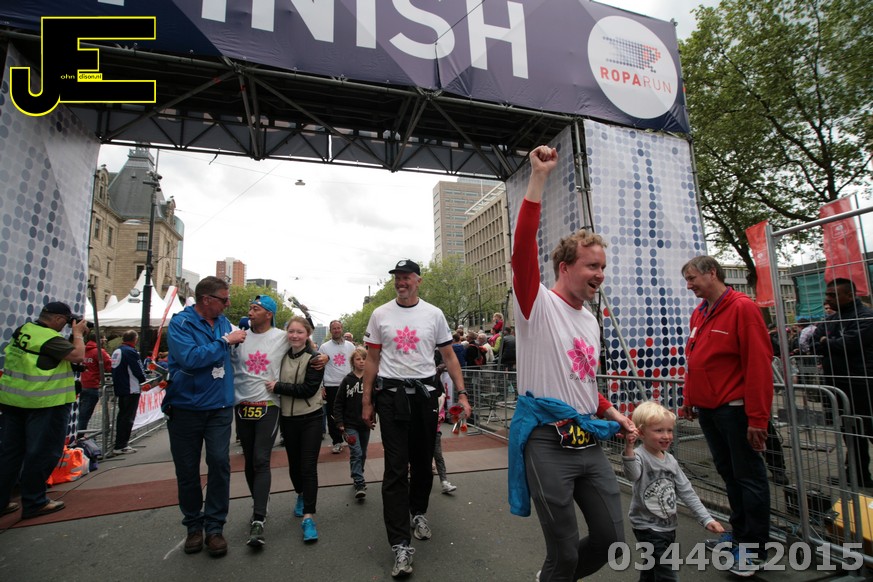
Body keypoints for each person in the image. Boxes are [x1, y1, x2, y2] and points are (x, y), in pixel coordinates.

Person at [506, 145, 634, 582]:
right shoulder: (536, 304)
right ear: (564, 267)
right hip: (546, 442)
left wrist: (613, 413)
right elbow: (522, 249)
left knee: (611, 541)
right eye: (592, 266)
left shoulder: (590, 321)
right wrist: (538, 177)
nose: (600, 274)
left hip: (588, 439)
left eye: (603, 266)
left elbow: (582, 384)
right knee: (563, 553)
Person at [361, 258, 471, 579]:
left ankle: (418, 511)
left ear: (418, 281)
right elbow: (372, 359)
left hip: (425, 397)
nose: (401, 282)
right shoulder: (380, 314)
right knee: (396, 468)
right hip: (391, 397)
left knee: (423, 462)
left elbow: (449, 356)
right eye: (397, 277)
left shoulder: (434, 314)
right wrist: (366, 401)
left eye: (407, 276)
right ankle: (400, 544)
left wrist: (462, 393)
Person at [680, 255, 773, 576]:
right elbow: (694, 359)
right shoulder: (701, 312)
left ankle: (755, 550)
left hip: (735, 411)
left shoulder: (743, 308)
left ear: (712, 273)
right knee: (730, 474)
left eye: (692, 278)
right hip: (711, 410)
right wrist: (689, 398)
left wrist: (758, 419)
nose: (689, 286)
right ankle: (741, 535)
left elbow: (758, 365)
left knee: (748, 476)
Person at [165, 276, 247, 558]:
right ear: (206, 299)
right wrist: (224, 342)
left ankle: (214, 527)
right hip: (185, 408)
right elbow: (190, 358)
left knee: (220, 463)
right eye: (224, 299)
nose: (228, 304)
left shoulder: (224, 322)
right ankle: (193, 526)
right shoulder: (181, 324)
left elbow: (239, 349)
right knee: (187, 470)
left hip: (219, 407)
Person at [0, 301, 88, 518]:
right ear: (57, 319)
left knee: (10, 454)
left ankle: (1, 502)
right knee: (42, 453)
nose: (66, 325)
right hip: (45, 403)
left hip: (14, 400)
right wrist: (78, 335)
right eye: (65, 321)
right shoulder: (49, 338)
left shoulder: (24, 330)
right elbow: (77, 356)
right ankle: (35, 502)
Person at [623, 401, 725, 582]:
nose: (666, 436)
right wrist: (629, 449)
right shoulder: (639, 456)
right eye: (659, 431)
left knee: (652, 568)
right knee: (666, 571)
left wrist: (706, 518)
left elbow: (686, 491)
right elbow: (633, 475)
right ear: (641, 432)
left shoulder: (670, 460)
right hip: (647, 527)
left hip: (668, 526)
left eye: (669, 430)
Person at [230, 295, 285, 548]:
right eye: (250, 308)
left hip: (268, 404)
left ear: (269, 314)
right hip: (242, 405)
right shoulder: (238, 337)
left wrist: (321, 359)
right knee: (250, 460)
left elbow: (305, 344)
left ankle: (258, 518)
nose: (250, 312)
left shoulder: (281, 337)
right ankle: (260, 500)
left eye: (256, 309)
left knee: (261, 459)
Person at [266, 316, 325, 543]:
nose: (295, 336)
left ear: (307, 334)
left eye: (300, 332)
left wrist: (278, 387)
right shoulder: (280, 355)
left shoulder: (315, 359)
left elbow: (308, 389)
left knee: (308, 466)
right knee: (294, 465)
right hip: (288, 419)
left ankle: (309, 517)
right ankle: (300, 493)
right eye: (291, 331)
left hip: (311, 418)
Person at [815, 278, 873, 487]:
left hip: (862, 385)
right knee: (850, 432)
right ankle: (858, 476)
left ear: (849, 295)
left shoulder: (865, 316)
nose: (827, 299)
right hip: (838, 385)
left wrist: (827, 343)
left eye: (833, 295)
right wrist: (828, 343)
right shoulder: (831, 320)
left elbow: (849, 344)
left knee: (868, 428)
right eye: (827, 294)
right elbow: (813, 342)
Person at [334, 346, 371, 499]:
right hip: (350, 424)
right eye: (358, 359)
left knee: (363, 453)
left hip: (365, 424)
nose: (361, 361)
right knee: (356, 452)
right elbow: (338, 402)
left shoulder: (371, 379)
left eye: (364, 359)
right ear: (353, 362)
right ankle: (359, 482)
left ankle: (358, 474)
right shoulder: (347, 380)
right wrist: (339, 422)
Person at [320, 320, 356, 454]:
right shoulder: (324, 347)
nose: (336, 330)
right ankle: (336, 441)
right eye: (334, 328)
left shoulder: (351, 346)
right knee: (333, 414)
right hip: (331, 385)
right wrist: (321, 386)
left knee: (350, 412)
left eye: (338, 328)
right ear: (330, 331)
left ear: (342, 329)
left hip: (348, 384)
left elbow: (355, 365)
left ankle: (350, 437)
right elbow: (319, 368)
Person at [110, 330, 147, 455]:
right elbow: (138, 369)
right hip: (130, 388)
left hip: (121, 387)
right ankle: (121, 445)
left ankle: (120, 444)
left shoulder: (117, 350)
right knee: (127, 417)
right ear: (135, 339)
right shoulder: (130, 351)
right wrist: (144, 380)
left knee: (123, 416)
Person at [78, 331, 111, 435]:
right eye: (104, 339)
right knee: (84, 416)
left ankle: (74, 436)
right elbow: (110, 366)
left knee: (77, 415)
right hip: (91, 385)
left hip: (79, 384)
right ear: (100, 340)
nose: (104, 341)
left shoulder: (81, 349)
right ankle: (79, 438)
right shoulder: (99, 352)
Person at [433, 392, 457, 494]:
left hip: (435, 432)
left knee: (438, 456)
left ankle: (444, 482)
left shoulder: (440, 397)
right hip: (422, 431)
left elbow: (442, 411)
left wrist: (441, 417)